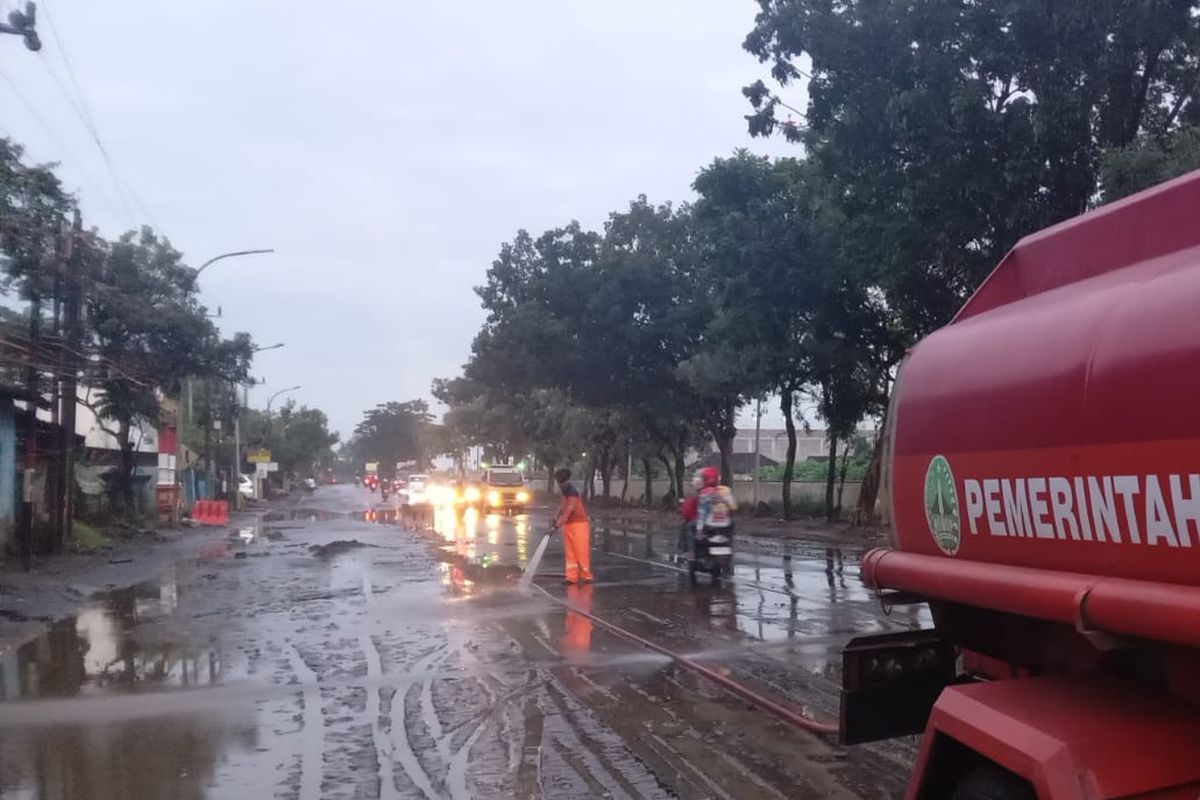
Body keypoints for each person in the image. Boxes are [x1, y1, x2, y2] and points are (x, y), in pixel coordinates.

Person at [554, 468, 593, 585]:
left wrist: (557, 525)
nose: (559, 485)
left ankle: (587, 576)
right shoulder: (564, 491)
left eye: (560, 483)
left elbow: (568, 511)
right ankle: (571, 577)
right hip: (568, 525)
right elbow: (562, 506)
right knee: (570, 553)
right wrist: (555, 516)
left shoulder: (572, 492)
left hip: (579, 525)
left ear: (564, 481)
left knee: (581, 551)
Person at [695, 466, 737, 558]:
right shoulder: (726, 490)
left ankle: (698, 558)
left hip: (710, 526)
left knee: (698, 541)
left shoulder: (704, 493)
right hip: (726, 526)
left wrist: (699, 530)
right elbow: (734, 508)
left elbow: (702, 515)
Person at [677, 473, 703, 562]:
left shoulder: (693, 497)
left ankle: (689, 551)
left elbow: (687, 512)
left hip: (695, 520)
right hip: (709, 521)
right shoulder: (709, 494)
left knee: (687, 530)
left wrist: (684, 515)